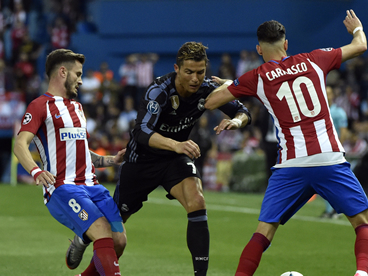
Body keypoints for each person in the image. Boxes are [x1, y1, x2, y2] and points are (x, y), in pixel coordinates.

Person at [205, 10, 368, 276]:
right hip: (329, 158)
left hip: (291, 165)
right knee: (363, 223)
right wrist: (356, 29)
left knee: (264, 232)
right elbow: (360, 45)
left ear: (259, 49)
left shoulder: (257, 77)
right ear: (286, 44)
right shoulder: (315, 59)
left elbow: (211, 101)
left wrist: (235, 85)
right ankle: (361, 273)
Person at [66, 41, 252, 276]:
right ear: (176, 68)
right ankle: (82, 238)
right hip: (140, 162)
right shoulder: (159, 91)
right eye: (189, 72)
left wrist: (236, 122)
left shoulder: (207, 90)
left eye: (200, 72)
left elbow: (243, 111)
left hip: (174, 160)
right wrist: (177, 144)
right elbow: (142, 132)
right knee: (113, 235)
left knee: (197, 200)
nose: (195, 78)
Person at [13, 49, 126, 276]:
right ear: (63, 72)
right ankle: (86, 235)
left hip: (92, 186)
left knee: (119, 241)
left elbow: (81, 150)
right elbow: (20, 144)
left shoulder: (78, 108)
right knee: (102, 233)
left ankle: (82, 244)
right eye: (78, 74)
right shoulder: (39, 106)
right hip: (63, 188)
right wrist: (35, 171)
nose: (81, 80)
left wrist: (110, 160)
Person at [321, 85, 348, 218]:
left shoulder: (339, 112)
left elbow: (343, 132)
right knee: (323, 181)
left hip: (333, 151)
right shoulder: (316, 111)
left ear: (332, 95)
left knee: (334, 181)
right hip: (320, 151)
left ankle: (337, 209)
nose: (327, 95)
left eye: (329, 93)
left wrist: (337, 148)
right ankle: (329, 210)